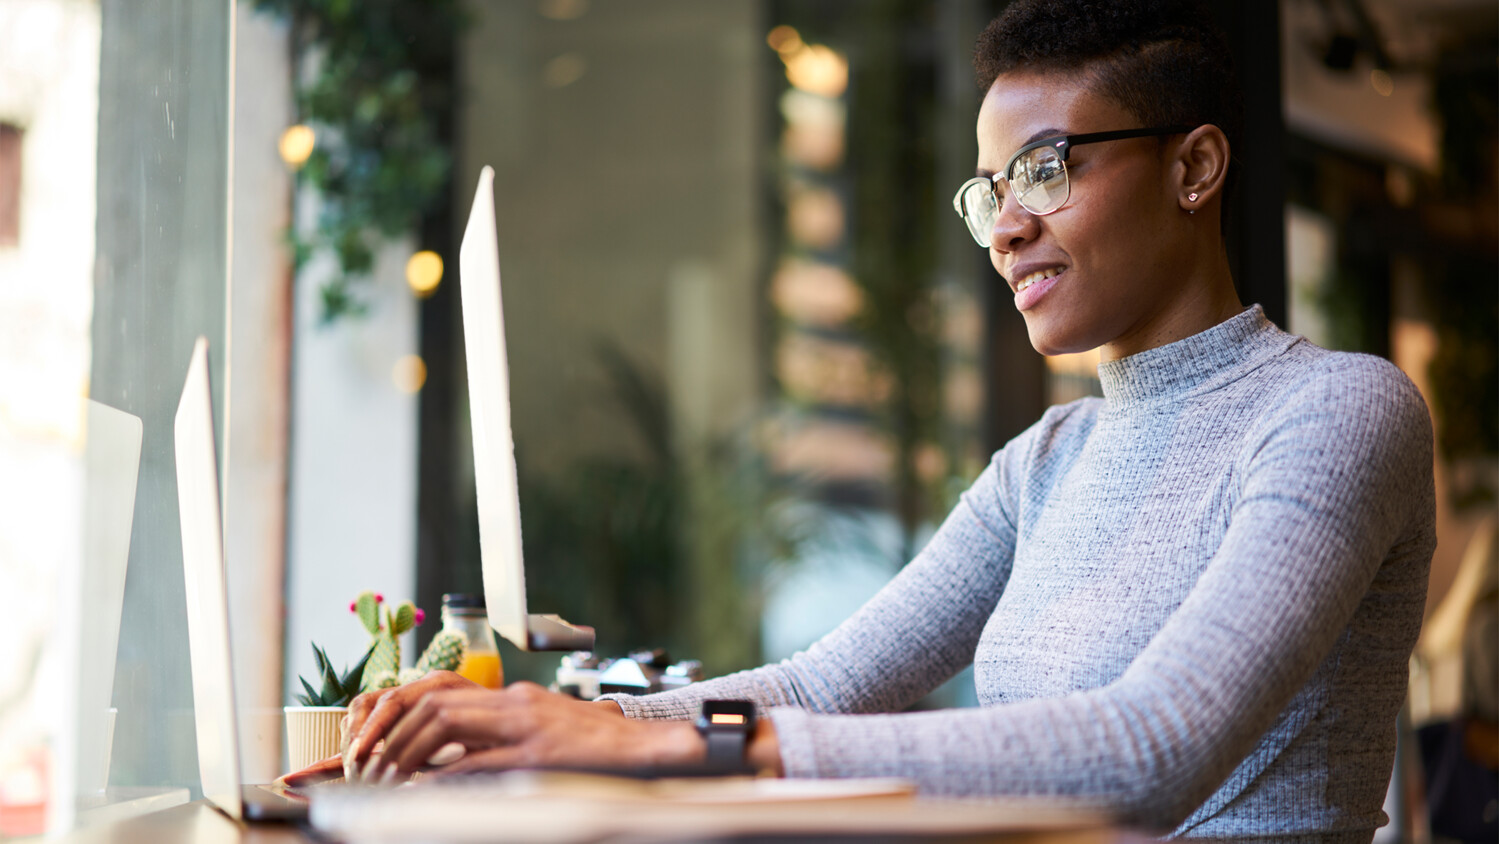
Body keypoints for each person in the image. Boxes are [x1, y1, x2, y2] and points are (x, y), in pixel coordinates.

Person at [285, 1, 1436, 839]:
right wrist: (528, 728)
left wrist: (662, 744)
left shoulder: (1335, 410)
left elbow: (1151, 749)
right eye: (987, 191)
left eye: (1043, 171)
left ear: (1192, 167)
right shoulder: (1045, 460)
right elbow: (819, 684)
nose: (1001, 230)